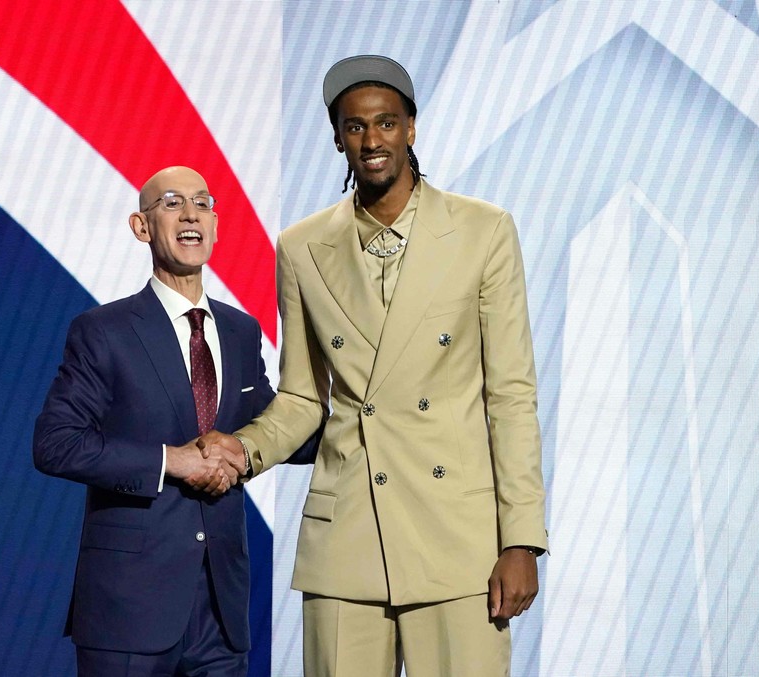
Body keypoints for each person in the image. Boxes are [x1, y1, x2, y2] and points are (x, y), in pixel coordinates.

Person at [199, 56, 548, 676]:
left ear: (411, 127)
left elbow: (511, 396)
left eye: (385, 123)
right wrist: (243, 451)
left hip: (457, 537)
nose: (372, 140)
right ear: (338, 138)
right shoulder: (302, 247)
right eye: (355, 127)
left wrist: (521, 540)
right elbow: (305, 398)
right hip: (347, 536)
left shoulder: (483, 231)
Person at [34, 166, 303, 676]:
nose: (190, 214)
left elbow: (276, 423)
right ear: (141, 227)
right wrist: (169, 461)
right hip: (128, 609)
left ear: (217, 226)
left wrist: (369, 416)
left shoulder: (242, 330)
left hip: (221, 615)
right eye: (173, 202)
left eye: (203, 203)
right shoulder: (102, 331)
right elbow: (55, 442)